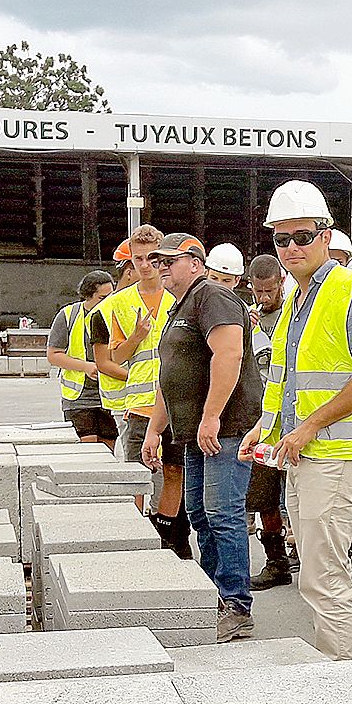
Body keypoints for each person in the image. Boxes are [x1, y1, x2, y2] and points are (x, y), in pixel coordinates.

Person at [239, 180, 352, 660]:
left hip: (336, 453)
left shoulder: (350, 289)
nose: (290, 248)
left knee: (325, 576)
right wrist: (265, 429)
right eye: (281, 239)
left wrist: (309, 426)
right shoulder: (298, 299)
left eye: (302, 235)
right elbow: (287, 382)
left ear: (327, 234)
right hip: (305, 453)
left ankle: (344, 679)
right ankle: (337, 669)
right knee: (315, 574)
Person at [144, 234, 264, 641]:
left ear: (195, 263)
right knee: (198, 513)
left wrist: (212, 416)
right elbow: (170, 376)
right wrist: (154, 430)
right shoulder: (179, 307)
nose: (160, 267)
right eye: (156, 262)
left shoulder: (211, 296)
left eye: (169, 261)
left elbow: (229, 354)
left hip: (225, 430)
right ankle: (213, 592)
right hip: (194, 434)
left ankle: (236, 604)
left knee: (223, 514)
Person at [92, 224, 190, 557]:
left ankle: (169, 534)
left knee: (174, 470)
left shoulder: (180, 296)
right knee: (136, 473)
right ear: (130, 262)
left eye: (152, 258)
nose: (146, 265)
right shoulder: (119, 305)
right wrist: (136, 335)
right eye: (138, 259)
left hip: (177, 405)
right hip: (139, 405)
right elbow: (114, 356)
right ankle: (136, 538)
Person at [244, 254, 291, 590]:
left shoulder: (295, 312)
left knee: (303, 499)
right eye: (258, 291)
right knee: (265, 497)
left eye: (269, 290)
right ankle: (277, 562)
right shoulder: (248, 319)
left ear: (281, 283)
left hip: (298, 416)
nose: (264, 297)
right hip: (264, 418)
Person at [47, 270, 118, 444]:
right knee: (88, 447)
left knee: (107, 449)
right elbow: (53, 355)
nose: (108, 302)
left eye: (111, 296)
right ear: (87, 296)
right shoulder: (68, 316)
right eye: (102, 298)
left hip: (109, 395)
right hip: (78, 398)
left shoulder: (116, 315)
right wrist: (86, 366)